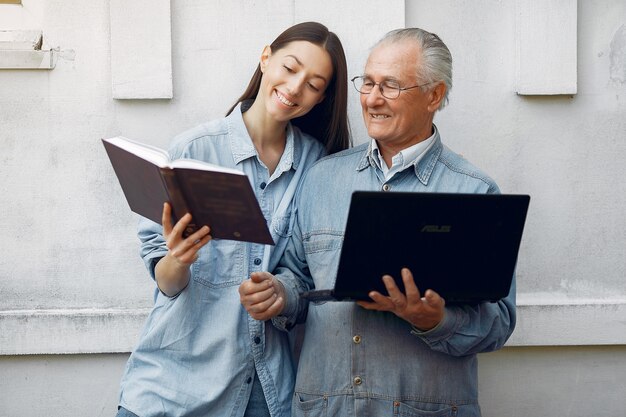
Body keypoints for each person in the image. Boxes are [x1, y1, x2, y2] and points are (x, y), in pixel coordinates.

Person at [239, 27, 516, 416]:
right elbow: (299, 279)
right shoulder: (321, 177)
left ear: (434, 95)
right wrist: (279, 293)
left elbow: (499, 323)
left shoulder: (475, 192)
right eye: (367, 83)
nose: (372, 99)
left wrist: (434, 320)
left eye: (390, 86)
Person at [116, 21, 350, 417]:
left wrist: (281, 292)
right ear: (265, 58)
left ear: (322, 97)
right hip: (171, 389)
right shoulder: (195, 149)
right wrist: (178, 258)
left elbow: (309, 276)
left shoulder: (318, 166)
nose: (294, 88)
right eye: (290, 68)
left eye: (313, 84)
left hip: (263, 389)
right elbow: (166, 283)